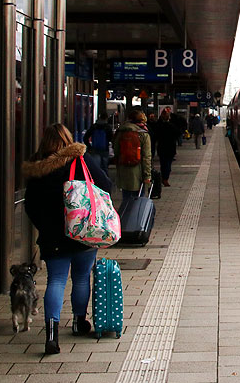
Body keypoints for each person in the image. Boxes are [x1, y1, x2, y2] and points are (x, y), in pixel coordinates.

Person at [23, 123, 113, 355]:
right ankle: (78, 322)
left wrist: (44, 226)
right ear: (68, 139)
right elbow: (106, 185)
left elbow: (31, 205)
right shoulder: (80, 160)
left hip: (52, 235)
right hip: (83, 230)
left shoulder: (37, 168)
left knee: (56, 280)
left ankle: (51, 335)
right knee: (82, 278)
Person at [115, 108, 152, 203]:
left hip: (123, 170)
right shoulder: (143, 133)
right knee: (139, 200)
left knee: (126, 199)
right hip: (138, 172)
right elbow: (146, 157)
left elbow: (116, 151)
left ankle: (125, 215)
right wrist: (147, 175)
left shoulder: (121, 131)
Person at [152, 109, 179, 187]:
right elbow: (178, 133)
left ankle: (163, 178)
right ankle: (165, 179)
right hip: (170, 148)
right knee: (168, 165)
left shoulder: (158, 125)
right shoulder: (172, 126)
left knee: (163, 164)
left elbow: (155, 136)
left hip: (161, 148)